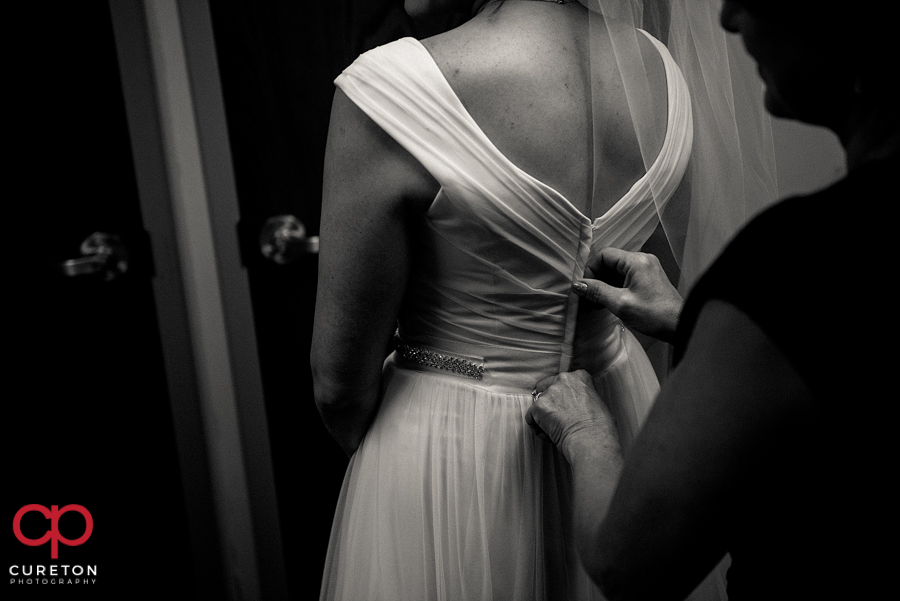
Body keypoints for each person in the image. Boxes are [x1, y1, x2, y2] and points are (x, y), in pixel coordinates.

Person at [311, 1, 771, 598]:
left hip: (449, 454)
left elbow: (338, 386)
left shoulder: (387, 87)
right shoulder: (654, 71)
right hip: (620, 412)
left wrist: (404, 469)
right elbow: (646, 280)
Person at [527, 1, 900, 599]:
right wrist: (701, 323)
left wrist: (586, 431)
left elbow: (629, 565)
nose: (728, 19)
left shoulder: (796, 267)